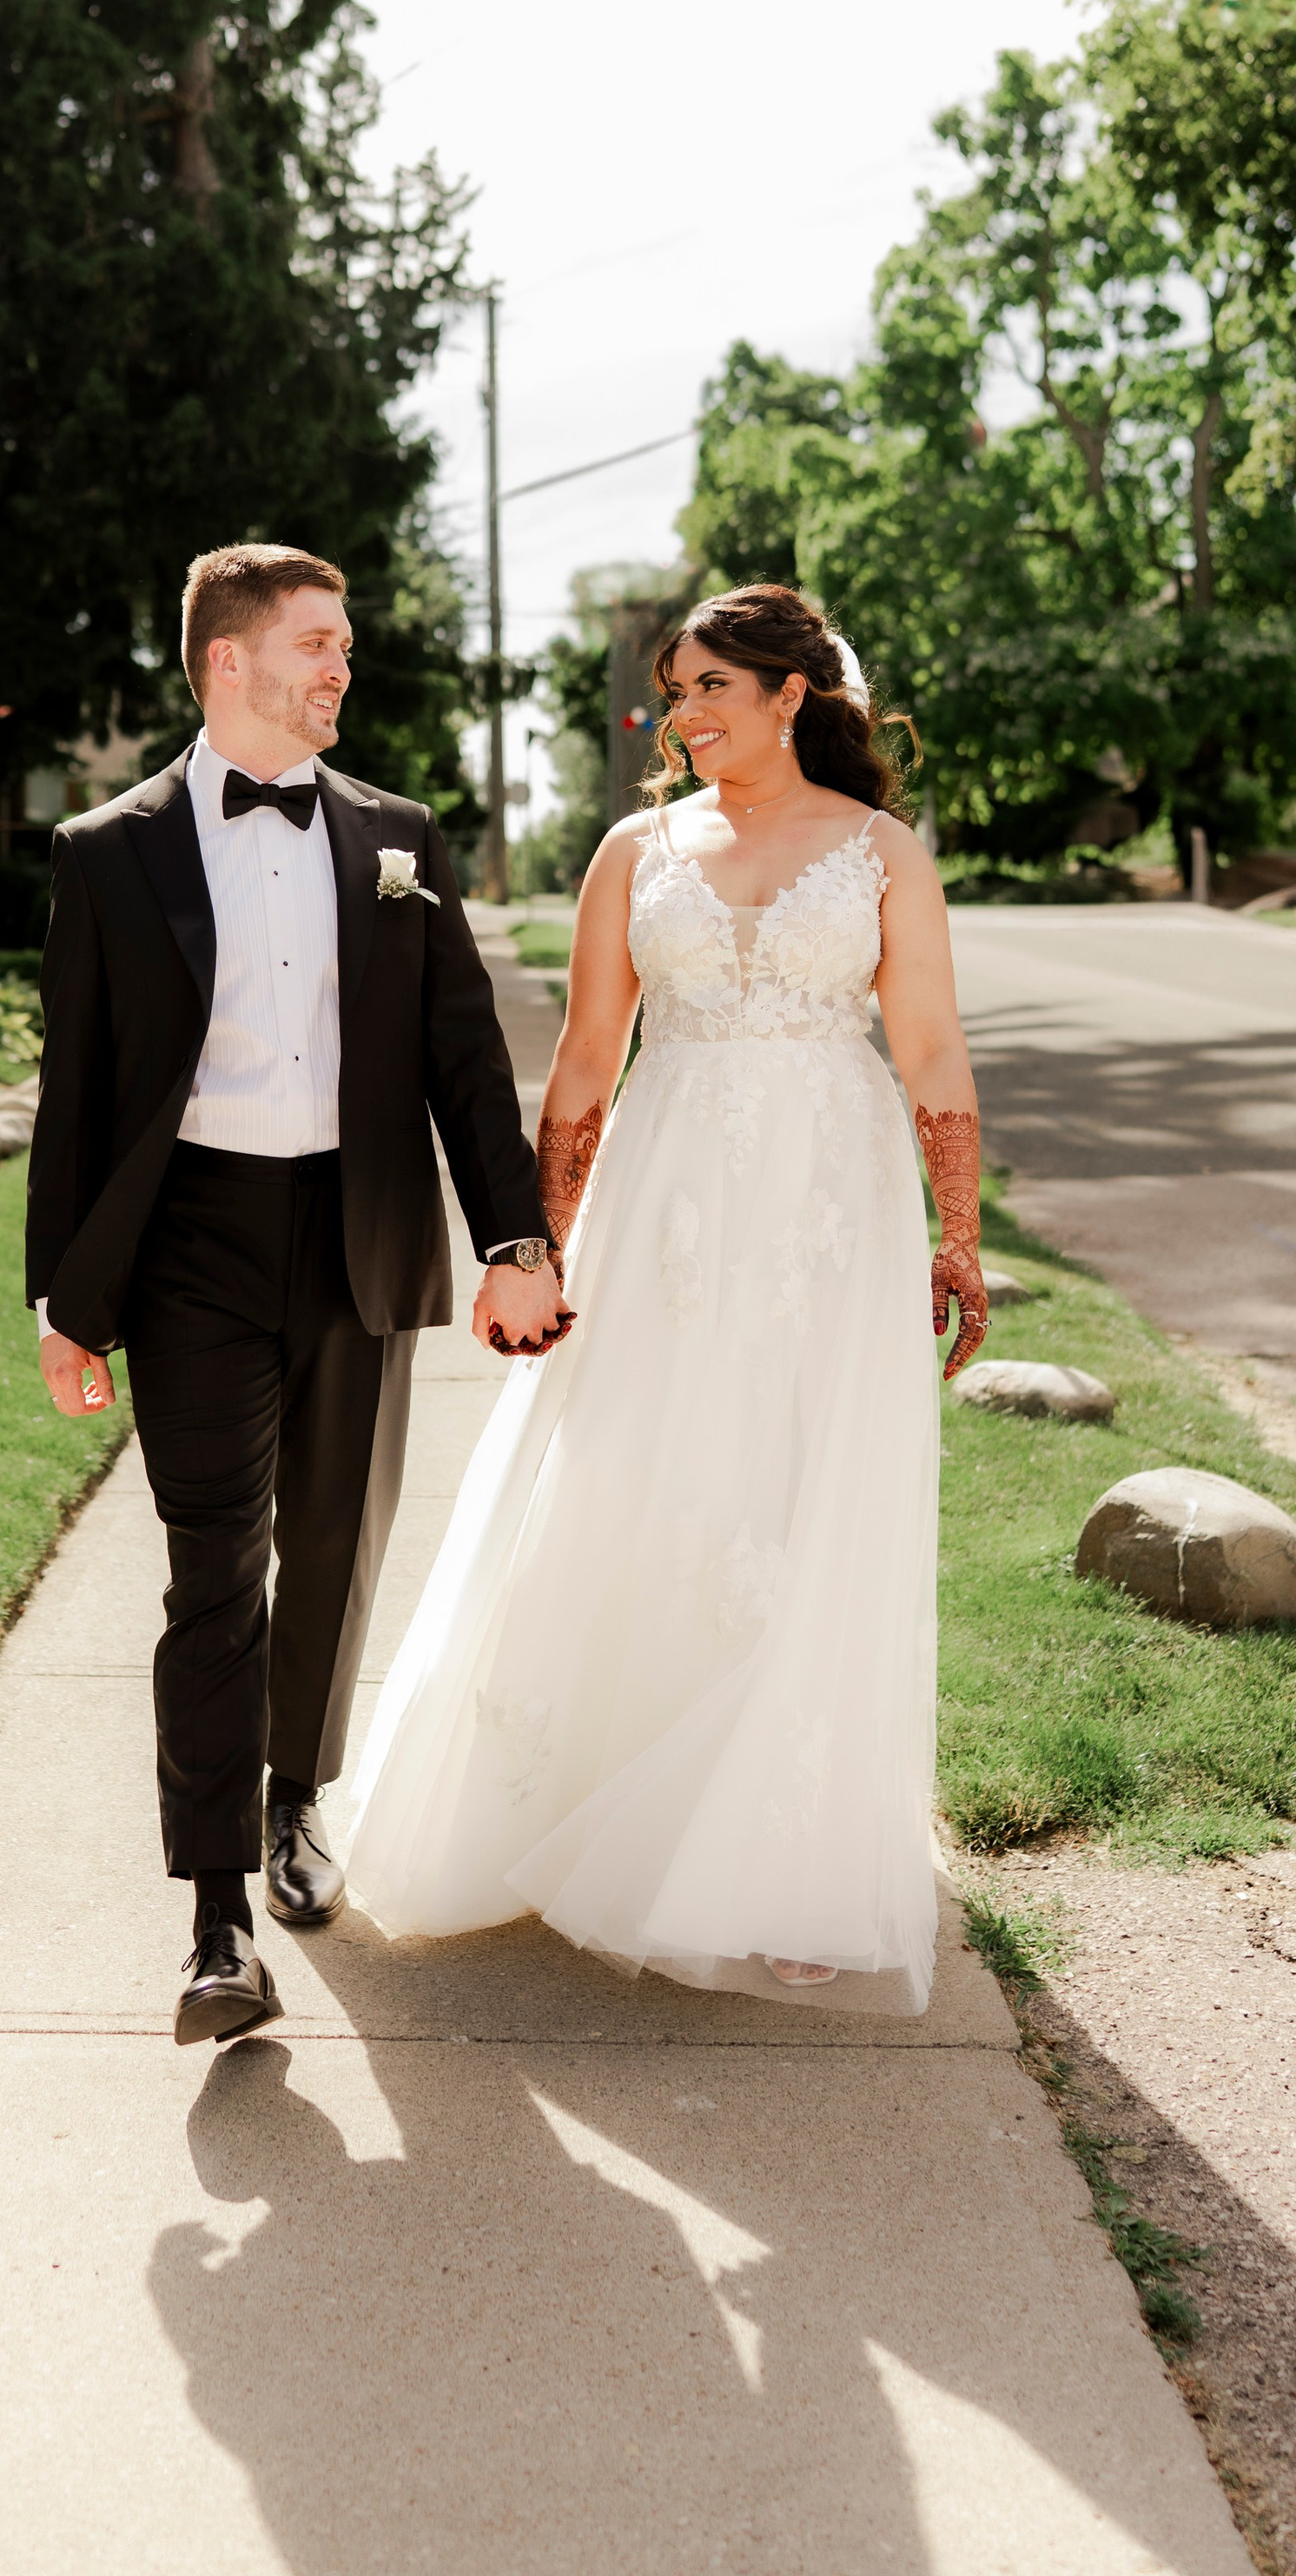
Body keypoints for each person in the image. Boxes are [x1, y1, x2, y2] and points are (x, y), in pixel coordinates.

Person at [343, 581, 986, 2011]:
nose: (679, 716)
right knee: (636, 1472)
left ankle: (790, 1860)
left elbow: (932, 1054)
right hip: (671, 1196)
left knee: (803, 1496)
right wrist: (538, 1246)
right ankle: (564, 1808)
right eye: (674, 690)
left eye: (708, 690)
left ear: (791, 697)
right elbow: (583, 1063)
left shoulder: (884, 854)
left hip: (832, 1204)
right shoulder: (636, 851)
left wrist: (958, 1238)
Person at [26, 543, 567, 2048]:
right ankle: (212, 1927)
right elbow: (74, 1096)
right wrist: (66, 1303)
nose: (342, 669)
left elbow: (464, 1057)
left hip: (357, 1233)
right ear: (230, 664)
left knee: (331, 1546)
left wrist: (516, 1239)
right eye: (318, 644)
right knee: (217, 1574)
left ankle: (294, 1806)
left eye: (344, 645)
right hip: (191, 1243)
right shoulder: (106, 852)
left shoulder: (399, 838)